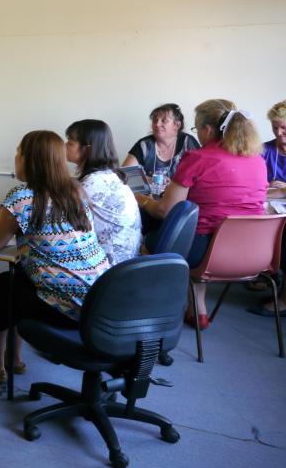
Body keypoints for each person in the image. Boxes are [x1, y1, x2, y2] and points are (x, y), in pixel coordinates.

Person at [0, 131, 110, 384]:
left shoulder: (22, 196)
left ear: (28, 160)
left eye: (18, 153)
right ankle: (14, 359)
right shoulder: (74, 191)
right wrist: (8, 215)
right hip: (99, 301)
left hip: (65, 307)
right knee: (17, 281)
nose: (15, 158)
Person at [136, 99, 266, 329]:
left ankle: (147, 313)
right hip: (254, 253)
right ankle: (198, 310)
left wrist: (142, 199)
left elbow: (165, 210)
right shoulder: (257, 159)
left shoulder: (199, 157)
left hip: (205, 250)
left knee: (150, 240)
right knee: (199, 234)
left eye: (197, 128)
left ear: (207, 129)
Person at [65, 119, 142, 265]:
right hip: (127, 262)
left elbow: (63, 225)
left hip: (110, 267)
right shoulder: (108, 176)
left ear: (87, 149)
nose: (65, 145)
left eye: (70, 142)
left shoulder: (91, 184)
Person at [247, 99, 286, 315]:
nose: (279, 133)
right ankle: (267, 273)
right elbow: (252, 185)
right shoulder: (264, 151)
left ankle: (284, 298)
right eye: (275, 127)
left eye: (284, 128)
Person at [122, 103, 201, 179]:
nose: (157, 124)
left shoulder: (188, 142)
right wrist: (150, 180)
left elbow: (199, 175)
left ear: (177, 125)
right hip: (149, 189)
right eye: (155, 120)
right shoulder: (144, 144)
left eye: (164, 121)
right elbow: (125, 175)